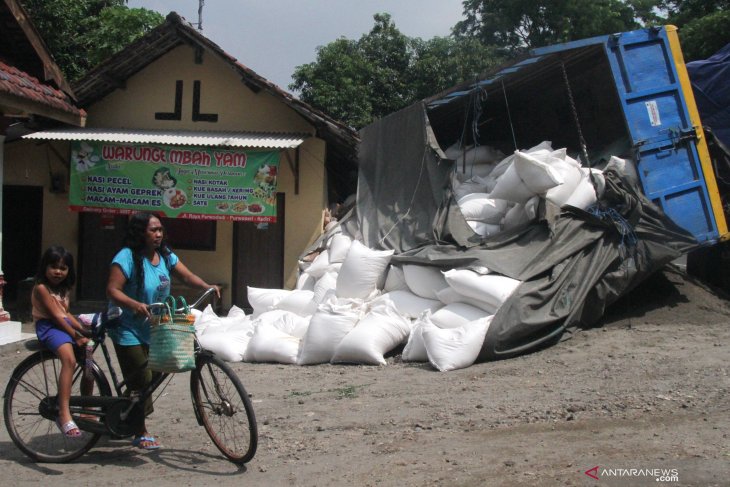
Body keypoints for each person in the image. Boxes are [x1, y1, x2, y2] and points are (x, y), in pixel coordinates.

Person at [106, 212, 220, 450]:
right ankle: (140, 431)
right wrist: (135, 305)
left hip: (156, 325)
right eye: (152, 230)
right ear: (140, 233)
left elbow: (186, 276)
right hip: (127, 326)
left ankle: (120, 412)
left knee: (160, 369)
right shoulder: (126, 257)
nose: (158, 234)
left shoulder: (165, 255)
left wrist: (207, 286)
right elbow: (113, 290)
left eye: (160, 230)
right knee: (143, 378)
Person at [32, 246, 92, 438]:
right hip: (49, 327)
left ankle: (86, 407)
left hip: (62, 325)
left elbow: (66, 314)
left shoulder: (63, 289)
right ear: (45, 267)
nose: (58, 272)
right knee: (69, 360)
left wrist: (84, 330)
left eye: (63, 268)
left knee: (89, 357)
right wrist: (75, 335)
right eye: (54, 267)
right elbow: (57, 317)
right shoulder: (41, 288)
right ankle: (63, 413)